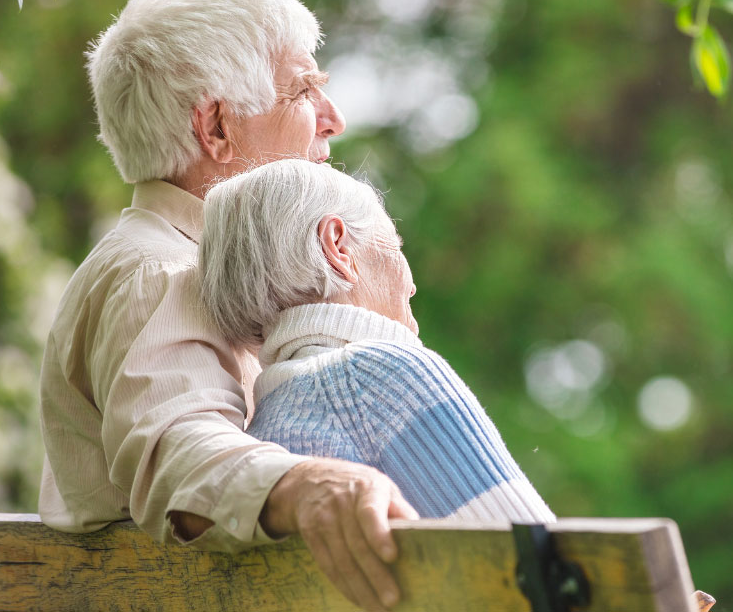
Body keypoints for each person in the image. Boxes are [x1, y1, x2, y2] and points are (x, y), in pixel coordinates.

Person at [38, 0, 411, 610]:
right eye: (304, 90)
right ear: (215, 127)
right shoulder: (160, 273)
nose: (334, 118)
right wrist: (309, 483)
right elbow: (179, 452)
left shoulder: (192, 265)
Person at [198, 159, 555, 522]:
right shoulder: (384, 376)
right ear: (337, 247)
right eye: (395, 244)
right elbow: (539, 557)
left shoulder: (261, 429)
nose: (412, 283)